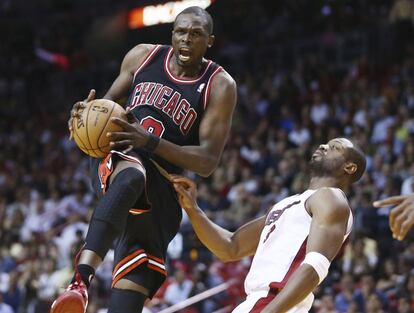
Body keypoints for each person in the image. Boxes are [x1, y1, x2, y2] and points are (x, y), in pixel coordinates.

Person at [51, 6, 237, 313]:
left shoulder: (219, 85)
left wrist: (149, 141)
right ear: (172, 34)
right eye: (181, 32)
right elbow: (106, 108)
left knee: (128, 299)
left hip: (161, 195)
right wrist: (83, 114)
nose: (186, 40)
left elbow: (207, 161)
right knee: (134, 172)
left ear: (210, 41)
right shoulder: (143, 56)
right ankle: (79, 282)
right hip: (120, 158)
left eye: (196, 34)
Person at [171, 138, 366, 313]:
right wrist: (193, 209)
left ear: (349, 167)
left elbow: (315, 267)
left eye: (334, 147)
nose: (324, 146)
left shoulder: (331, 198)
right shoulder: (288, 203)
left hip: (275, 304)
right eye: (325, 143)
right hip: (257, 303)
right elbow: (231, 246)